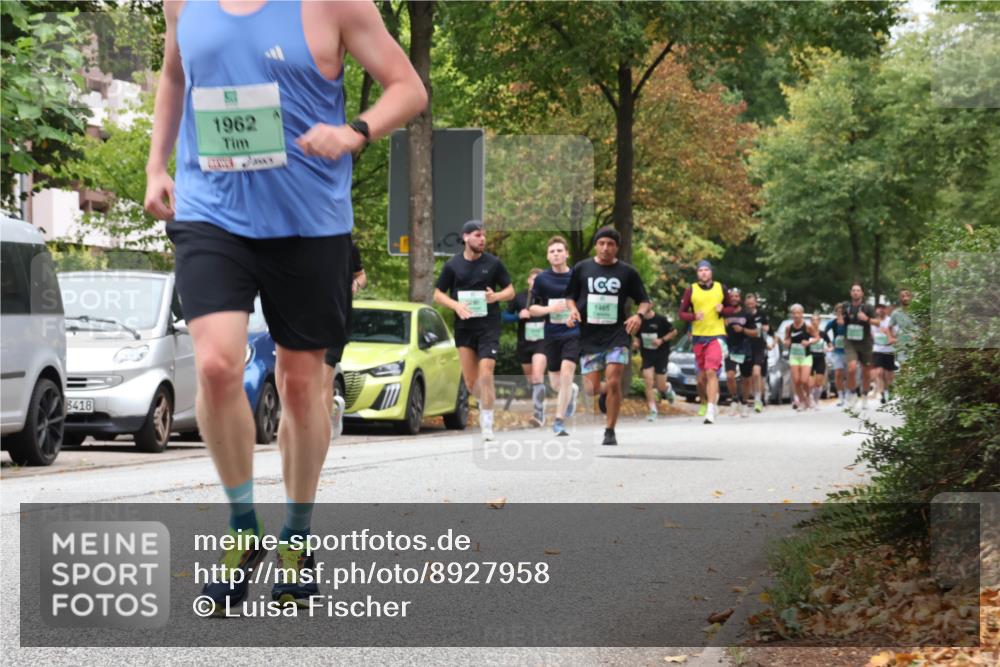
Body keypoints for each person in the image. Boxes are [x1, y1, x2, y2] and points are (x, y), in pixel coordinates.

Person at [144, 0, 426, 615]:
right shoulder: (181, 3)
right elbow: (174, 75)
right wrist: (156, 163)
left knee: (299, 387)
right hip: (211, 210)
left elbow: (408, 88)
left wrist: (356, 132)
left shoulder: (336, 3)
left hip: (309, 222)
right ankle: (243, 526)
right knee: (217, 365)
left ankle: (297, 536)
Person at [566, 227, 651, 446]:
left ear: (617, 248)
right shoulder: (582, 268)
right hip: (589, 335)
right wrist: (573, 310)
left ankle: (610, 430)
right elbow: (570, 297)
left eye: (610, 244)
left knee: (614, 380)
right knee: (592, 389)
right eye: (602, 243)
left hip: (617, 334)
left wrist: (638, 316)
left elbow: (645, 300)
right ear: (596, 245)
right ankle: (605, 392)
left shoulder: (627, 272)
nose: (606, 248)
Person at [433, 220, 514, 443]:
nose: (482, 239)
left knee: (486, 373)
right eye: (478, 235)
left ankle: (487, 424)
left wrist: (496, 296)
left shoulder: (494, 264)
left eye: (484, 235)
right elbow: (438, 294)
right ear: (466, 237)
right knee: (471, 382)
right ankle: (484, 402)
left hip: (488, 325)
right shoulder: (453, 266)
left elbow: (510, 290)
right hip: (464, 327)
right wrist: (456, 306)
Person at [528, 236, 580, 437]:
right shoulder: (542, 280)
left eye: (560, 250)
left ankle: (559, 421)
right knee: (556, 383)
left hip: (573, 332)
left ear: (566, 253)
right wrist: (551, 308)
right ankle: (572, 392)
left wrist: (574, 312)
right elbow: (532, 308)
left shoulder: (577, 276)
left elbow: (584, 302)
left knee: (568, 372)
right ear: (548, 257)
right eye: (552, 251)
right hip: (551, 333)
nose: (556, 254)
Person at [677, 260, 739, 424]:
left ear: (711, 272)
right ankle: (708, 401)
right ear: (697, 273)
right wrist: (693, 316)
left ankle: (710, 409)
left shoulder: (720, 288)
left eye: (706, 270)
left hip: (717, 335)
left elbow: (732, 308)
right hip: (699, 336)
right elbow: (681, 313)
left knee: (711, 371)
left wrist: (723, 310)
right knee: (701, 378)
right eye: (700, 270)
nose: (703, 273)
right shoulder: (691, 289)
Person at [323, 241, 367, 437]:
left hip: (336, 320)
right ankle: (332, 406)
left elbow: (361, 274)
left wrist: (356, 284)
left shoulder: (348, 245)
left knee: (322, 380)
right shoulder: (299, 239)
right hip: (304, 320)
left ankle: (321, 429)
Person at [504, 269, 548, 427]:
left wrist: (548, 320)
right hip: (524, 342)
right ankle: (541, 400)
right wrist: (517, 316)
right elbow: (504, 316)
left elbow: (559, 313)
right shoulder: (520, 297)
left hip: (543, 342)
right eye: (534, 279)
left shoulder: (547, 297)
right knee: (531, 380)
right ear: (528, 280)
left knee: (537, 376)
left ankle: (539, 414)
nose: (536, 282)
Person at [634, 307, 676, 421]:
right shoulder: (639, 321)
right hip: (647, 355)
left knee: (660, 386)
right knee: (648, 381)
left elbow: (674, 332)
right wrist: (636, 343)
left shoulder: (661, 319)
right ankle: (653, 410)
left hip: (661, 355)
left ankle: (667, 388)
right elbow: (637, 337)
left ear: (651, 305)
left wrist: (661, 340)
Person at [841, 283, 879, 410]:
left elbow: (877, 322)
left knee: (866, 372)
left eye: (858, 290)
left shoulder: (868, 307)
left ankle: (864, 396)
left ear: (862, 293)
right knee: (851, 368)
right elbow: (840, 319)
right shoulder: (846, 307)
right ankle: (852, 394)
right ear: (851, 293)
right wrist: (840, 320)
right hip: (850, 341)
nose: (856, 292)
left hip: (865, 342)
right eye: (854, 290)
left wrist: (867, 319)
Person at [723, 288, 752, 417]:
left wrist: (743, 330)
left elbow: (756, 332)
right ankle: (734, 399)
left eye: (736, 296)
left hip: (744, 348)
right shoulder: (724, 313)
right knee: (730, 376)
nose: (734, 298)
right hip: (730, 348)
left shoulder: (747, 314)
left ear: (740, 298)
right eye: (731, 296)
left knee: (746, 379)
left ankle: (744, 403)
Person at [784, 305, 817, 410]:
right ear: (792, 315)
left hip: (806, 356)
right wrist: (787, 342)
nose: (796, 315)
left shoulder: (808, 327)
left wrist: (809, 342)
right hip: (794, 356)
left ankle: (809, 396)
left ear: (802, 314)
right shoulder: (789, 327)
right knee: (796, 381)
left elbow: (817, 337)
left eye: (798, 313)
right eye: (794, 313)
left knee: (804, 380)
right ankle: (802, 401)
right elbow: (786, 339)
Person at [742, 293, 769, 412]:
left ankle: (758, 399)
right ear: (745, 304)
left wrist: (765, 328)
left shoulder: (761, 314)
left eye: (752, 303)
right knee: (746, 377)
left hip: (759, 346)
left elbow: (768, 328)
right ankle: (746, 400)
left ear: (756, 303)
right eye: (748, 304)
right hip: (746, 346)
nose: (750, 306)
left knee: (757, 373)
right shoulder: (743, 315)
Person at [872, 303, 898, 403]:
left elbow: (895, 335)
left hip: (889, 350)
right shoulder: (873, 322)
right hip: (877, 349)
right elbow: (871, 335)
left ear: (886, 310)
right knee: (879, 372)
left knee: (889, 375)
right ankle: (882, 394)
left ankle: (889, 391)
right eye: (878, 309)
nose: (881, 310)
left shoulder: (890, 321)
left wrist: (887, 333)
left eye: (882, 308)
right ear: (876, 311)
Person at [825, 304, 848, 406]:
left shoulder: (849, 322)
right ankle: (841, 396)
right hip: (837, 352)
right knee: (838, 374)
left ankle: (848, 395)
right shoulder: (832, 322)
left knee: (848, 375)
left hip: (848, 351)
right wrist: (829, 343)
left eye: (842, 311)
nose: (840, 313)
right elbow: (823, 332)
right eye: (838, 311)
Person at [809, 313, 831, 410]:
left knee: (818, 382)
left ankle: (816, 400)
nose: (814, 322)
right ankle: (810, 400)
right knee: (810, 382)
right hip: (809, 358)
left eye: (816, 320)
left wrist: (829, 349)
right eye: (813, 320)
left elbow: (831, 345)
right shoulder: (807, 333)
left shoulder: (823, 334)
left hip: (820, 358)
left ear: (819, 321)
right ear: (810, 322)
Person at [890, 288, 915, 365]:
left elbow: (925, 327)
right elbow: (889, 327)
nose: (905, 298)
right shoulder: (896, 313)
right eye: (903, 296)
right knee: (904, 368)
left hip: (916, 346)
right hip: (902, 346)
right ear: (900, 298)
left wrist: (918, 335)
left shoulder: (918, 311)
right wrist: (891, 338)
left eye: (907, 295)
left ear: (911, 297)